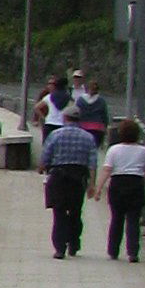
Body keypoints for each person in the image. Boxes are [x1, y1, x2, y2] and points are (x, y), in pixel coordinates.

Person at [41, 108, 99, 256]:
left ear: (65, 117)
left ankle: (59, 248)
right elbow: (92, 164)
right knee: (75, 212)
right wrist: (92, 184)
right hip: (78, 178)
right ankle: (74, 242)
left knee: (59, 213)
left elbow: (45, 157)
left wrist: (42, 168)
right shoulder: (88, 138)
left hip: (58, 176)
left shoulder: (55, 135)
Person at [101, 118, 145, 261]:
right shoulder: (144, 151)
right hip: (135, 183)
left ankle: (113, 250)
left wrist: (98, 188)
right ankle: (133, 252)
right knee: (133, 220)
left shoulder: (114, 150)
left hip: (117, 183)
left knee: (116, 219)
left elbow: (107, 170)